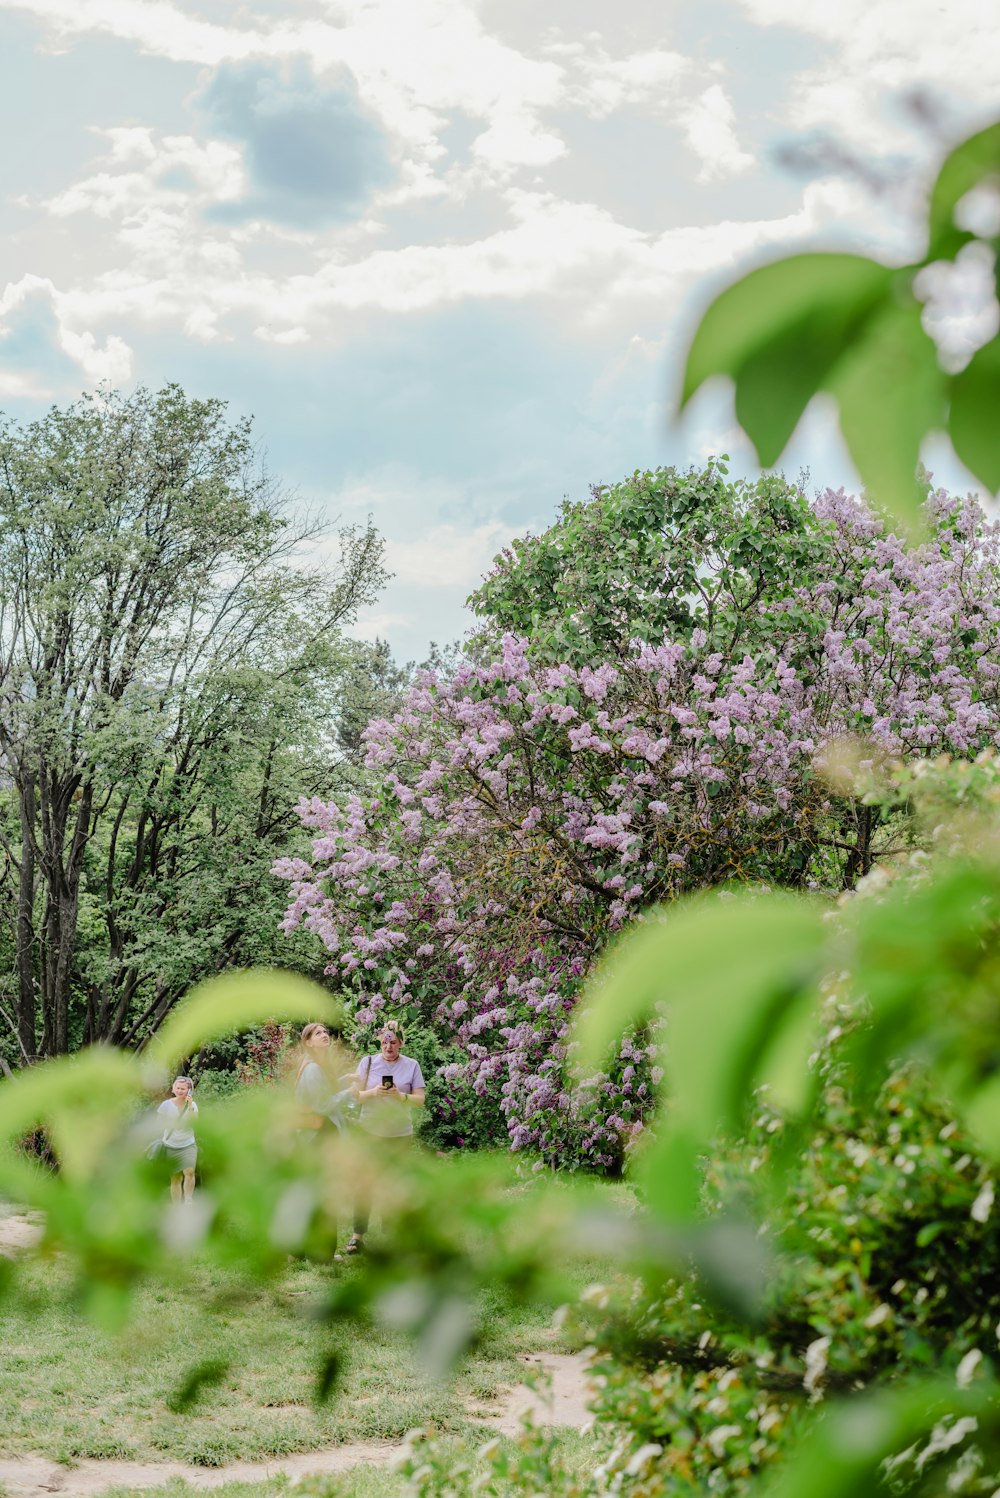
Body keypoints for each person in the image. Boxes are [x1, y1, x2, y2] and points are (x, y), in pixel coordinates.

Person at [346, 1020, 425, 1255]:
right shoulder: (368, 1062)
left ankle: (391, 1235)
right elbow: (356, 1096)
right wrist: (373, 1092)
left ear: (400, 1043)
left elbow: (420, 1100)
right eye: (384, 1041)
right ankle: (357, 1237)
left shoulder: (411, 1066)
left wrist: (400, 1096)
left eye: (393, 1041)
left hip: (399, 1134)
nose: (388, 1046)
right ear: (379, 1042)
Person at [295, 1022, 355, 1133]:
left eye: (325, 1032)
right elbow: (322, 1105)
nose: (324, 1035)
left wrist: (346, 1079)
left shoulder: (319, 1064)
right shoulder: (312, 1069)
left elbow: (325, 1089)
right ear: (309, 1043)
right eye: (318, 1033)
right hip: (317, 1133)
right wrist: (349, 1092)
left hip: (323, 1127)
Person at [157, 1076, 198, 1203]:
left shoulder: (193, 1105)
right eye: (178, 1088)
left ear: (189, 1091)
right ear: (173, 1089)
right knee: (175, 1178)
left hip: (188, 1144)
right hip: (171, 1145)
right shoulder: (166, 1105)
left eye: (183, 1088)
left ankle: (188, 1201)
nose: (180, 1090)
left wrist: (190, 1105)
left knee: (189, 1172)